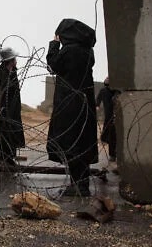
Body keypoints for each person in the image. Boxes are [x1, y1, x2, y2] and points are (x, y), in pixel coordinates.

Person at [46, 18, 98, 197]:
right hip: (83, 104)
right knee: (81, 144)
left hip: (69, 105)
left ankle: (79, 187)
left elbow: (53, 65)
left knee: (71, 144)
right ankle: (81, 184)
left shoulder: (70, 51)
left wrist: (54, 44)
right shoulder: (87, 51)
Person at [0, 47, 25, 168]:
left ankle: (9, 159)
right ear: (9, 60)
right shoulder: (0, 73)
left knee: (11, 135)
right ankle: (4, 159)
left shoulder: (12, 72)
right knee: (3, 135)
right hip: (3, 112)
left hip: (13, 111)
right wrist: (0, 109)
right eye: (14, 59)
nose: (16, 61)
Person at [96, 77, 119, 162]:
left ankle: (114, 154)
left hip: (117, 116)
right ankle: (112, 154)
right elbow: (98, 99)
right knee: (109, 134)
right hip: (108, 116)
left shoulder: (117, 92)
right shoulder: (103, 91)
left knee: (114, 135)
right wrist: (97, 105)